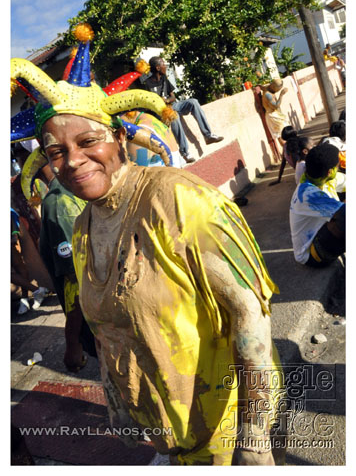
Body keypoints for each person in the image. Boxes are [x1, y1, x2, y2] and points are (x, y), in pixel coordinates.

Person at [11, 30, 286, 465]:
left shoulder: (178, 199)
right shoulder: (82, 229)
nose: (73, 160)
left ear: (119, 138)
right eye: (56, 151)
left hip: (225, 432)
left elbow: (249, 312)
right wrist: (117, 399)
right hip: (166, 435)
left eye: (87, 141)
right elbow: (105, 329)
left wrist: (254, 434)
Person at [24, 155, 97, 371]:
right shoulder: (80, 185)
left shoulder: (56, 202)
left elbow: (74, 278)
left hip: (96, 321)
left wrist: (72, 343)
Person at [144, 57, 224, 164]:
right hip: (160, 113)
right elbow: (146, 105)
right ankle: (185, 152)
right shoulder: (147, 84)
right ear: (158, 68)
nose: (165, 66)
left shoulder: (164, 79)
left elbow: (173, 97)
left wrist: (167, 100)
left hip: (171, 106)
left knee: (193, 102)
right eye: (163, 64)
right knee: (174, 116)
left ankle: (208, 135)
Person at [290, 143, 345, 267]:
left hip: (320, 235)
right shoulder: (308, 194)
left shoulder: (316, 178)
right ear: (330, 172)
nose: (340, 167)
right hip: (310, 255)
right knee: (345, 218)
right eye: (338, 165)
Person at [261, 79, 289, 148]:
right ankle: (287, 151)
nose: (277, 91)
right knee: (280, 135)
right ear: (273, 87)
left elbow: (261, 87)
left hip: (276, 114)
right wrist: (281, 94)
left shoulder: (269, 88)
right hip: (272, 116)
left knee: (286, 132)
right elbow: (275, 105)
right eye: (278, 90)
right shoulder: (268, 94)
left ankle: (290, 150)